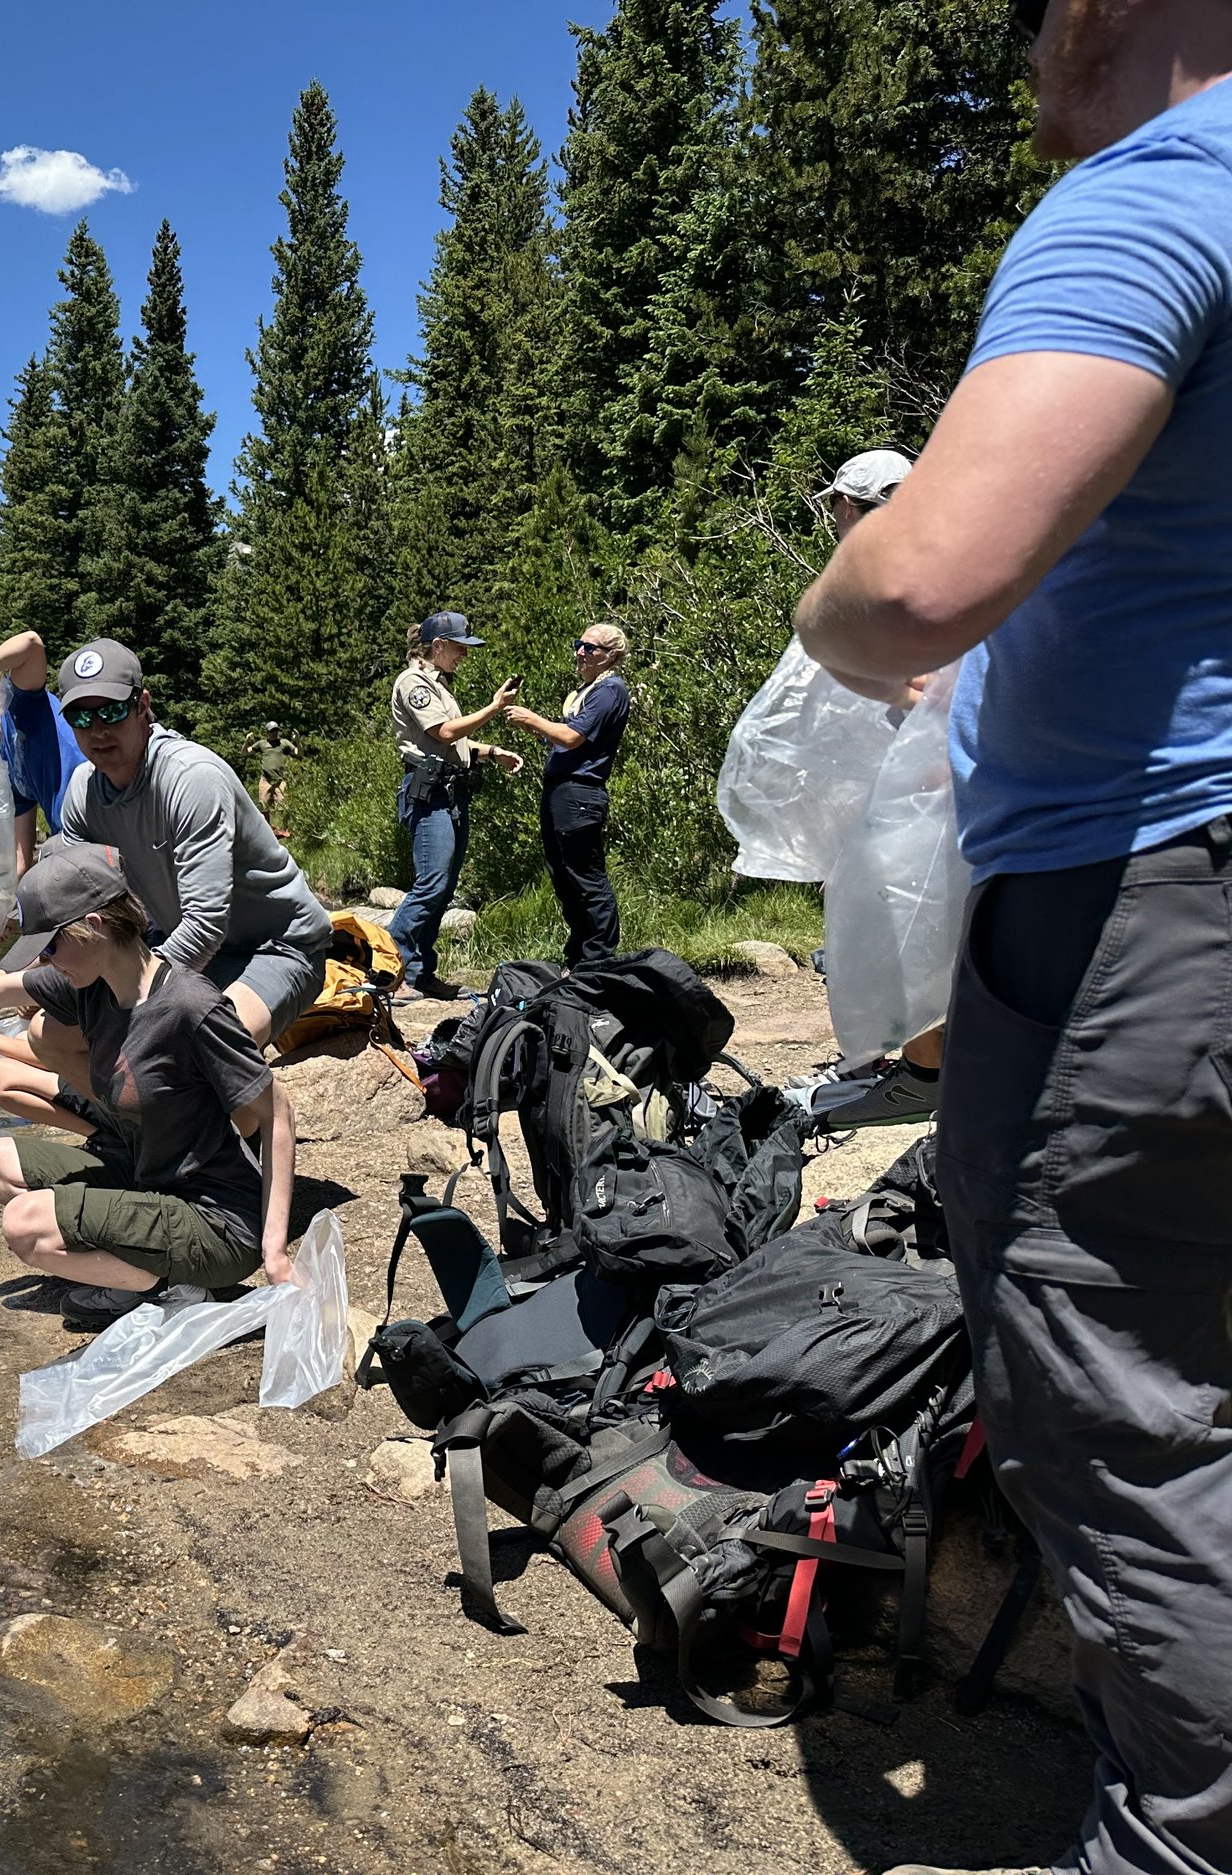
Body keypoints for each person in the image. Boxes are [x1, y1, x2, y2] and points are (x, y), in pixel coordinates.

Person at [796, 8, 1232, 1872]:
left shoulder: (1161, 187)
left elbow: (920, 579)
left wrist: (840, 619)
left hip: (1150, 898)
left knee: (1122, 1390)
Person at [0, 843, 297, 1332]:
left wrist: (274, 1252)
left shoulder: (191, 1008)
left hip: (215, 1221)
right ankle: (130, 1255)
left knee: (25, 1226)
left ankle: (168, 1284)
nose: (44, 959)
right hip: (145, 1175)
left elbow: (277, 1112)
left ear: (95, 927)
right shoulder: (87, 984)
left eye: (50, 945)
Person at [52, 637, 334, 1049]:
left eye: (111, 711)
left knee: (204, 1047)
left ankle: (263, 1113)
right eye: (80, 717)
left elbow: (205, 923)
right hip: (176, 947)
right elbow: (82, 912)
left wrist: (137, 998)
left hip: (275, 948)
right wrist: (36, 972)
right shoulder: (82, 793)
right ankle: (120, 1116)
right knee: (50, 1036)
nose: (98, 730)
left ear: (142, 705)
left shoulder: (191, 778)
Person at [791, 448, 949, 1131]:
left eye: (836, 506)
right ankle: (919, 1064)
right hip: (923, 788)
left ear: (850, 507)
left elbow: (936, 690)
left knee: (903, 932)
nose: (834, 518)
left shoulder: (892, 578)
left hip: (920, 795)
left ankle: (924, 1075)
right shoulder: (949, 563)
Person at [386, 611, 526, 1001]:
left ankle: (419, 972)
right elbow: (444, 732)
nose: (464, 654)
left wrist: (492, 752)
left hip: (449, 792)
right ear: (438, 645)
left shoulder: (440, 685)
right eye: (460, 647)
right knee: (431, 883)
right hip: (429, 795)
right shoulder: (414, 682)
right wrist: (495, 707)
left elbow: (455, 746)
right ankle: (391, 969)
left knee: (444, 887)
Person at [505, 625, 630, 968]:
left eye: (590, 648)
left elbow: (572, 736)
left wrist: (532, 717)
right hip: (561, 790)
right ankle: (579, 955)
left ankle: (599, 957)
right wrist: (533, 727)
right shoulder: (586, 691)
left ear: (611, 656)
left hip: (580, 792)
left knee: (585, 875)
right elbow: (562, 739)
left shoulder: (610, 691)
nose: (581, 653)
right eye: (579, 645)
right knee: (563, 875)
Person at [0, 628, 86, 875]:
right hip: (73, 846)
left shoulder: (21, 708)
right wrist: (11, 907)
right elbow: (22, 861)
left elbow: (31, 643)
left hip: (103, 821)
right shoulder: (8, 770)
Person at [243, 722, 303, 820]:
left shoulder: (284, 743)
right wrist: (246, 742)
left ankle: (283, 830)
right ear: (267, 732)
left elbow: (299, 754)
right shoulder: (261, 744)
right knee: (264, 807)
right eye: (272, 731)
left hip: (281, 780)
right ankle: (267, 829)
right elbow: (245, 753)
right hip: (266, 780)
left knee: (283, 807)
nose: (274, 733)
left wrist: (297, 741)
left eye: (276, 730)